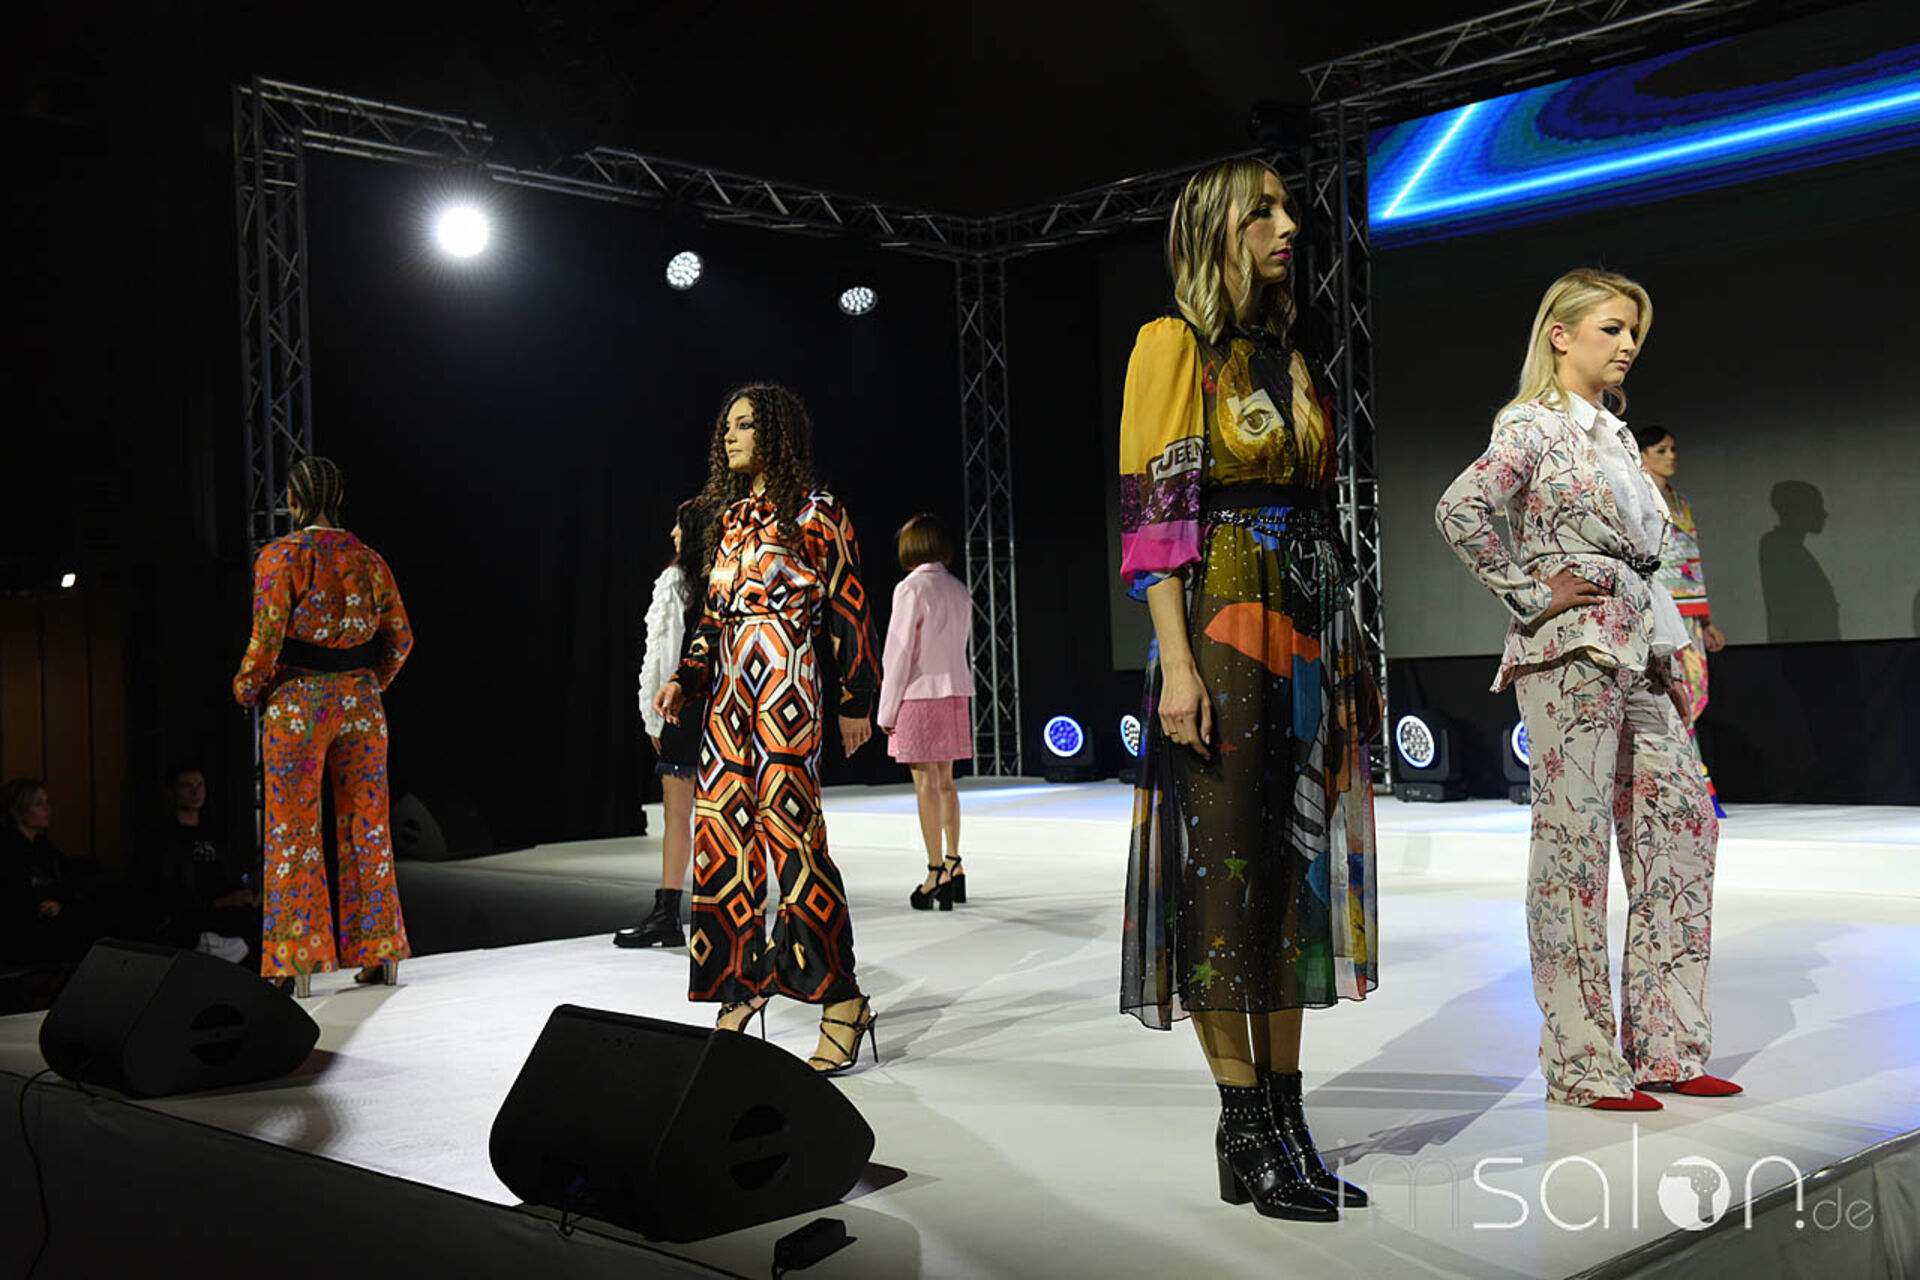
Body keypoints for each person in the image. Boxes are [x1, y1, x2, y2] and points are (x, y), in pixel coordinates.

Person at [1117, 158, 1380, 1222]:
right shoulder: (1172, 346)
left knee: (1292, 878)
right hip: (1222, 619)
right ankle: (1242, 1123)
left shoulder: (1293, 358)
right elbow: (1153, 526)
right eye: (1261, 212)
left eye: (1287, 209)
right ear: (1214, 232)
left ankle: (1286, 1117)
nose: (1288, 226)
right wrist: (1178, 664)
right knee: (1223, 884)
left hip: (1306, 625)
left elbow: (1320, 514)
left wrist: (1347, 655)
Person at [1434, 268, 1736, 1110]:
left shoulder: (1618, 438)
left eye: (1634, 331)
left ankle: (1667, 1047)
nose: (1628, 344)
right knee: (1573, 852)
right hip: (1570, 651)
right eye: (1612, 328)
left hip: (1642, 648)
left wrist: (1670, 648)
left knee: (1682, 829)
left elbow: (1647, 557)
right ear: (1560, 335)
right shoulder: (1533, 426)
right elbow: (1461, 509)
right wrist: (1530, 593)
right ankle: (1581, 1061)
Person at [654, 384, 881, 1074]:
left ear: (776, 434)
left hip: (788, 685)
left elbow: (848, 603)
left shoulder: (817, 511)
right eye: (727, 425)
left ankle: (841, 997)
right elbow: (711, 616)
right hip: (727, 696)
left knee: (792, 838)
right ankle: (739, 985)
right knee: (720, 836)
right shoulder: (728, 520)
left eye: (746, 425)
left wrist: (857, 697)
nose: (730, 435)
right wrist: (685, 677)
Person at [232, 456, 413, 995]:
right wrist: (369, 684)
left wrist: (247, 687)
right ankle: (381, 953)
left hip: (298, 701)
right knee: (368, 825)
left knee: (293, 831)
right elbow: (401, 639)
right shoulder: (370, 560)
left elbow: (266, 640)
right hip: (361, 701)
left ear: (292, 499)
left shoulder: (280, 557)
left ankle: (296, 963)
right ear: (338, 498)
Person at [616, 498, 711, 949]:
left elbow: (664, 650)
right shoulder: (724, 578)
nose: (673, 533)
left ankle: (667, 913)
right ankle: (719, 912)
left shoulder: (676, 579)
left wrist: (653, 714)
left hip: (683, 703)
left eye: (679, 525)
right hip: (722, 704)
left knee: (678, 814)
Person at [877, 513, 974, 911]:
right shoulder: (957, 588)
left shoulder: (910, 589)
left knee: (925, 786)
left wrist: (886, 710)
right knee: (946, 783)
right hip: (954, 692)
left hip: (917, 696)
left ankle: (935, 873)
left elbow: (899, 654)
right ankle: (954, 863)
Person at [1634, 426, 1727, 817]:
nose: (1671, 456)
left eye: (1673, 449)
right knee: (1672, 695)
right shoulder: (1637, 496)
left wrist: (1706, 619)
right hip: (1659, 609)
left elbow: (1691, 559)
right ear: (1641, 455)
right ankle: (1686, 785)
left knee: (1696, 693)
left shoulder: (1680, 501)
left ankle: (1687, 781)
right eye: (1661, 450)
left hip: (1690, 611)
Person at [146, 765, 258, 965]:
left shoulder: (216, 834)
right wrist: (219, 902)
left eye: (199, 785)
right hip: (191, 927)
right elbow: (167, 893)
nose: (195, 792)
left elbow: (231, 872)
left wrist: (244, 895)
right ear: (173, 791)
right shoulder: (164, 839)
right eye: (187, 786)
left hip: (230, 921)